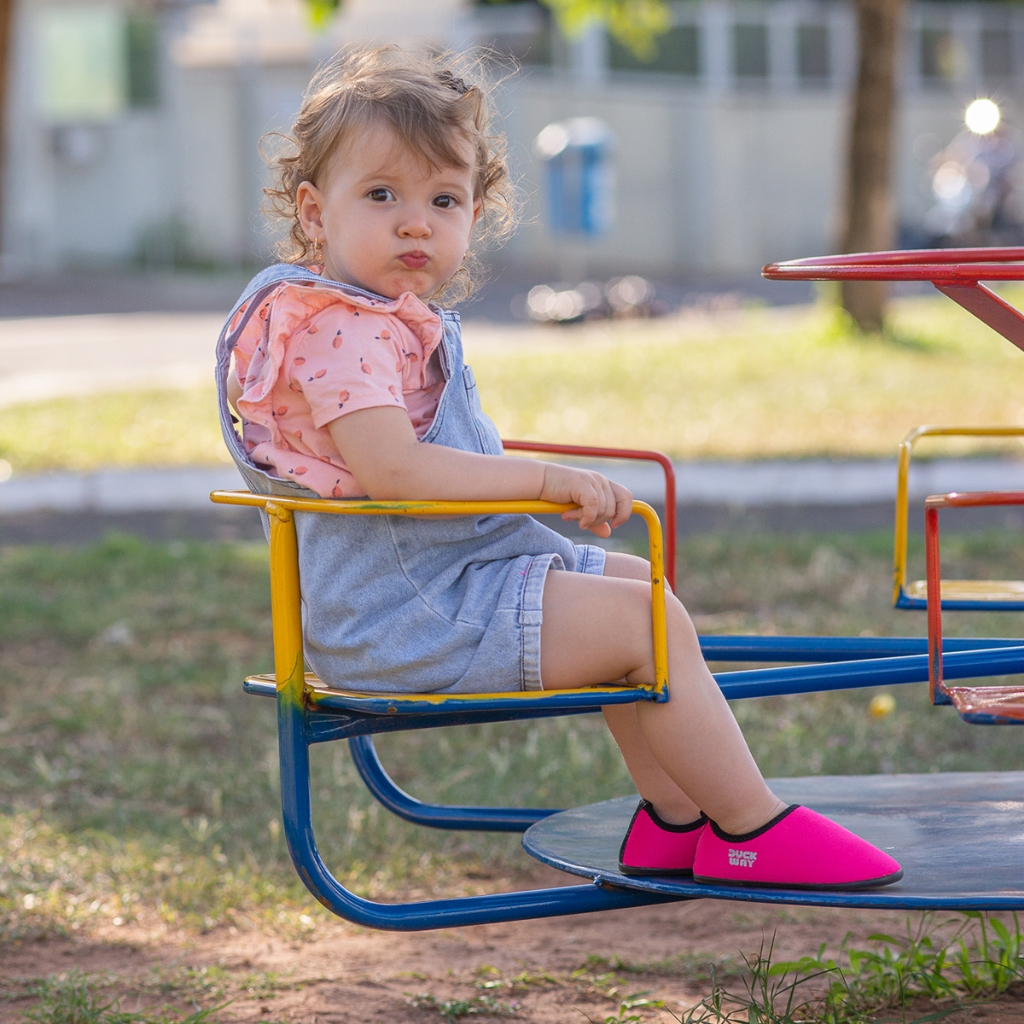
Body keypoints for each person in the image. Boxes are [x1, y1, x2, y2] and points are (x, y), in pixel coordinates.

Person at [216, 46, 901, 891]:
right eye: (382, 195)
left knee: (632, 588)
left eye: (444, 199)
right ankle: (752, 827)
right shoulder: (337, 328)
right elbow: (397, 472)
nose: (415, 222)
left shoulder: (384, 318)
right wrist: (542, 479)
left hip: (439, 584)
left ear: (476, 209)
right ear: (315, 214)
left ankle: (671, 821)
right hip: (404, 620)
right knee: (644, 625)